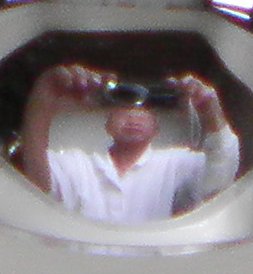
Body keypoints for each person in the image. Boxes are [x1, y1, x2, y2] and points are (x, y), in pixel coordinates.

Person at [14, 63, 240, 224]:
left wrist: (211, 111)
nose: (133, 116)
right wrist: (43, 100)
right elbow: (37, 183)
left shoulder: (177, 162)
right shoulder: (76, 164)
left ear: (156, 127)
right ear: (107, 123)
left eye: (144, 111)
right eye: (124, 107)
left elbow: (220, 176)